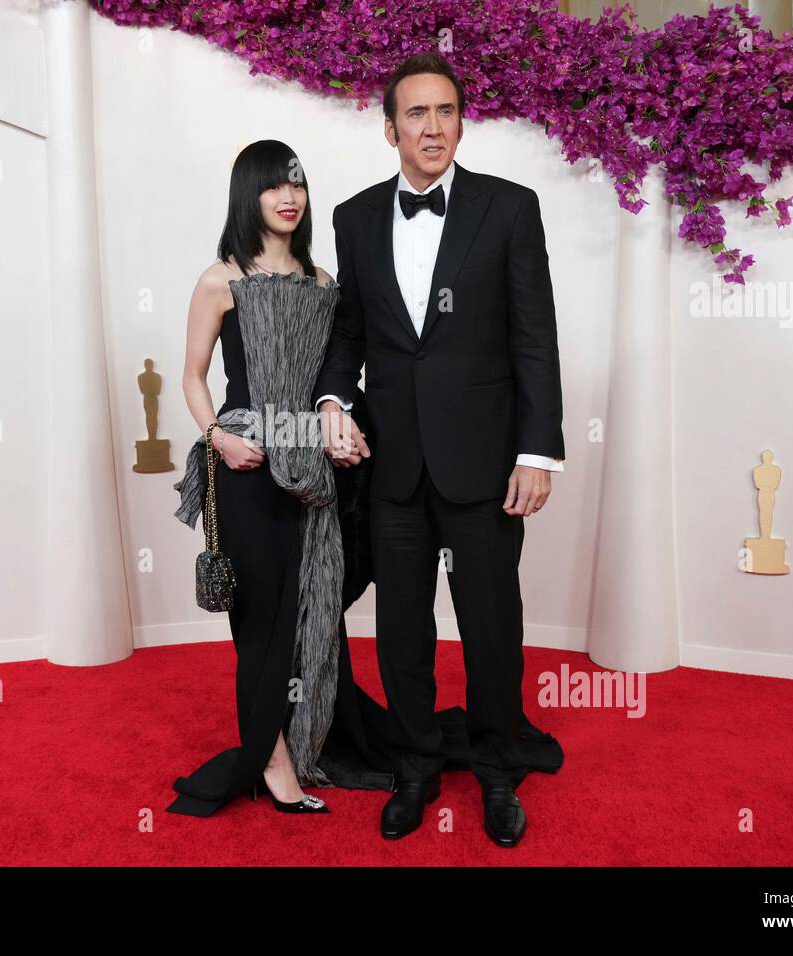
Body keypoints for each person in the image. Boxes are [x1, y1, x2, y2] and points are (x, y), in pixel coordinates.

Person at [169, 140, 473, 818]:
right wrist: (217, 434)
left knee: (316, 613)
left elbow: (337, 377)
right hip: (247, 463)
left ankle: (314, 736)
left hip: (313, 464)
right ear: (247, 194)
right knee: (261, 618)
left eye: (298, 186)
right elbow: (191, 375)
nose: (289, 197)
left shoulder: (324, 282)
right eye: (274, 186)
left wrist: (340, 429)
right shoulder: (221, 279)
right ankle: (273, 760)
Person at [313, 53, 567, 846]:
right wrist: (329, 400)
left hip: (486, 460)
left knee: (492, 620)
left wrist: (539, 451)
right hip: (392, 462)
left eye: (446, 111)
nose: (433, 126)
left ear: (462, 122)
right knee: (402, 628)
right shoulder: (353, 218)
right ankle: (418, 758)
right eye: (416, 114)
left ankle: (496, 762)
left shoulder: (510, 208)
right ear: (390, 129)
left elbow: (535, 337)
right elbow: (349, 328)